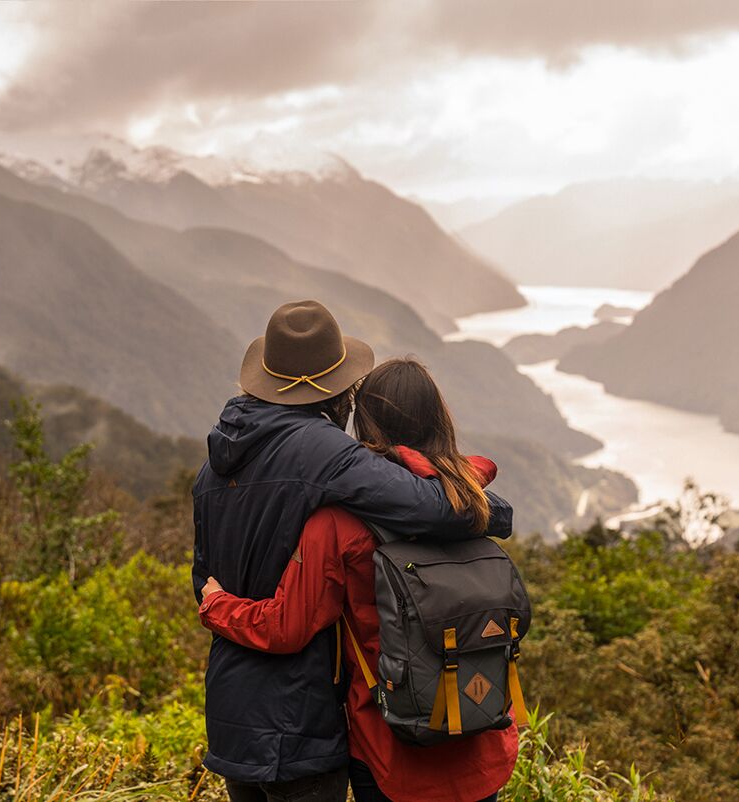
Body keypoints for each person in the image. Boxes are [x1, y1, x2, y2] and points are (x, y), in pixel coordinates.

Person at [194, 303, 513, 802]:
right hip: (471, 734)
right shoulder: (328, 462)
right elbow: (424, 503)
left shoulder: (213, 475)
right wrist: (489, 511)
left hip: (276, 722)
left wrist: (216, 604)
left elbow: (221, 589)